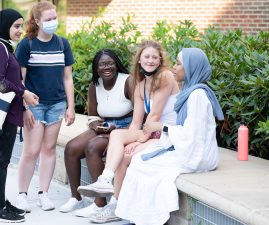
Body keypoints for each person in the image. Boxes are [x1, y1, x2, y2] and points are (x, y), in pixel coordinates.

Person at [115, 48, 224, 225]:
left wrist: (162, 127)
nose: (174, 67)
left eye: (179, 64)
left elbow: (192, 136)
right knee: (139, 160)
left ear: (191, 68)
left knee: (142, 163)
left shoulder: (197, 95)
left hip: (199, 156)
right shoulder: (191, 92)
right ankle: (141, 217)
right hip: (189, 149)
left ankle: (149, 219)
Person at [77, 40, 180, 223]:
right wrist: (132, 140)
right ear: (139, 60)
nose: (150, 60)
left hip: (166, 133)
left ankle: (116, 205)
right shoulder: (140, 85)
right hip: (150, 131)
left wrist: (139, 142)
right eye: (146, 56)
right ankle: (105, 180)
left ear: (160, 60)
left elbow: (155, 114)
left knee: (125, 156)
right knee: (117, 135)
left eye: (155, 57)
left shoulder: (165, 76)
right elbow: (136, 121)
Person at [15, 0, 75, 212]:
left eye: (55, 18)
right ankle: (22, 195)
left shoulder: (62, 44)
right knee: (31, 151)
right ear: (38, 22)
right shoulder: (26, 44)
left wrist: (71, 107)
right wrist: (25, 107)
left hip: (57, 104)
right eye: (48, 19)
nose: (53, 22)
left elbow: (67, 78)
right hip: (35, 105)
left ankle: (44, 194)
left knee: (49, 149)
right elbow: (19, 81)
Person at [59, 49, 134, 217]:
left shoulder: (128, 81)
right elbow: (92, 115)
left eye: (110, 63)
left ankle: (99, 204)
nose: (106, 67)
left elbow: (140, 114)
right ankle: (76, 198)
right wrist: (97, 127)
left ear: (116, 64)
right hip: (103, 125)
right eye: (102, 64)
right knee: (71, 148)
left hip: (125, 128)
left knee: (92, 147)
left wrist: (122, 133)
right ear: (96, 67)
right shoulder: (95, 85)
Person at [0, 9, 39, 223]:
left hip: (9, 112)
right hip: (3, 115)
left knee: (2, 160)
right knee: (0, 161)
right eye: (16, 26)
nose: (20, 30)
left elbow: (12, 79)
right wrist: (23, 93)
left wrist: (25, 104)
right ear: (5, 26)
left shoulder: (5, 47)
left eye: (21, 25)